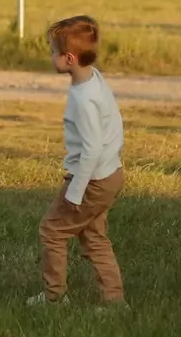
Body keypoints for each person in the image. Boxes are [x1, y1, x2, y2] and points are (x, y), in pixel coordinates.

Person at [30, 15, 126, 307]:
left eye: (52, 52)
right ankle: (114, 302)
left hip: (92, 180)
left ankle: (54, 297)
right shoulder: (94, 78)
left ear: (69, 58)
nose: (50, 57)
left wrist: (75, 191)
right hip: (110, 174)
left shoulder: (84, 99)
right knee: (95, 238)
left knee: (52, 231)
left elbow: (92, 149)